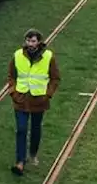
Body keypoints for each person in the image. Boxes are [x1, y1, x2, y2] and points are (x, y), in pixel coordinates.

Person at [8, 28, 60, 176]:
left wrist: (48, 94)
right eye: (28, 40)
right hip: (21, 99)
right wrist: (13, 91)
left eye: (33, 41)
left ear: (39, 42)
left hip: (39, 100)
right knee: (21, 129)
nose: (30, 43)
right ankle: (20, 162)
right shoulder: (17, 55)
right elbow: (11, 75)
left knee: (36, 128)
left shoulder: (48, 57)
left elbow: (55, 78)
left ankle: (33, 153)